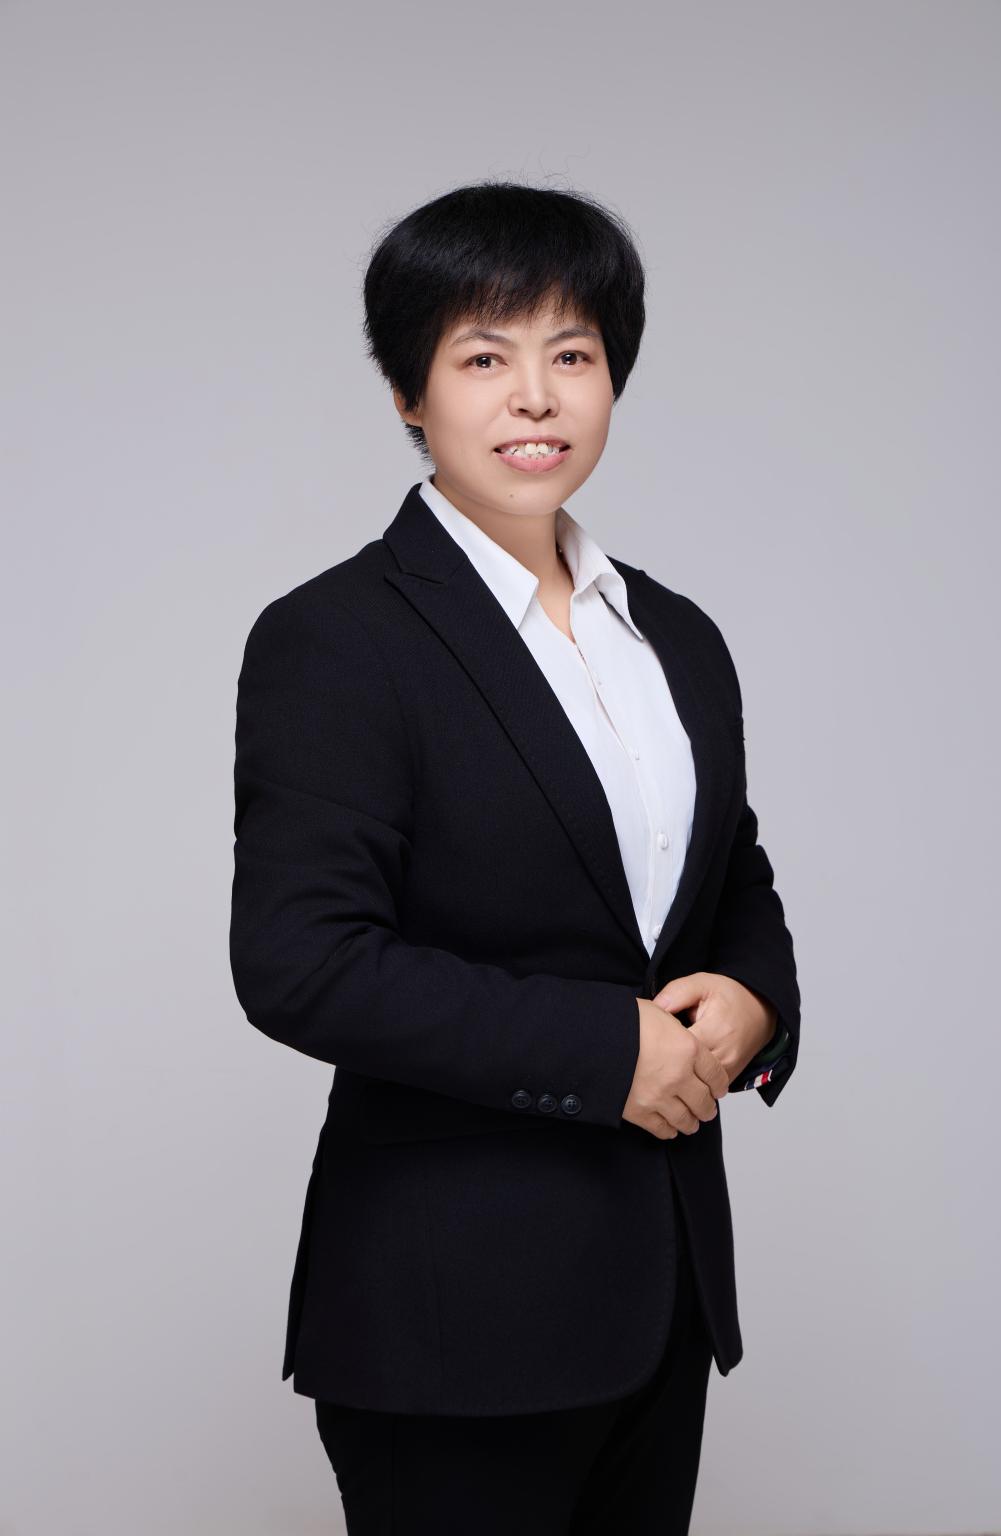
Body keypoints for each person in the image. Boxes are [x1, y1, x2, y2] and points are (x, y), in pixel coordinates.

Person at [229, 179, 801, 1535]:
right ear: (408, 392)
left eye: (572, 355)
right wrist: (609, 1052)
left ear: (613, 379)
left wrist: (757, 1001)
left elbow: (731, 877)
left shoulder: (676, 636)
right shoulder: (338, 638)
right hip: (453, 1318)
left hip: (663, 1293)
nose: (536, 397)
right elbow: (302, 962)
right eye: (485, 358)